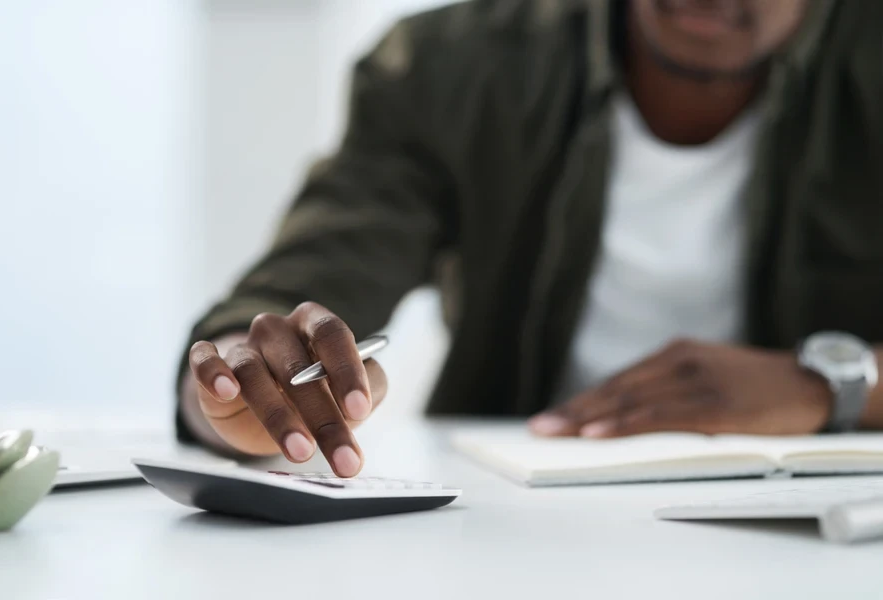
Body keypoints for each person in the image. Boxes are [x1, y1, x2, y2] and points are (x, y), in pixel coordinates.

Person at [178, 0, 883, 477]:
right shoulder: (455, 65)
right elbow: (309, 279)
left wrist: (834, 387)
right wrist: (241, 389)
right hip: (515, 520)